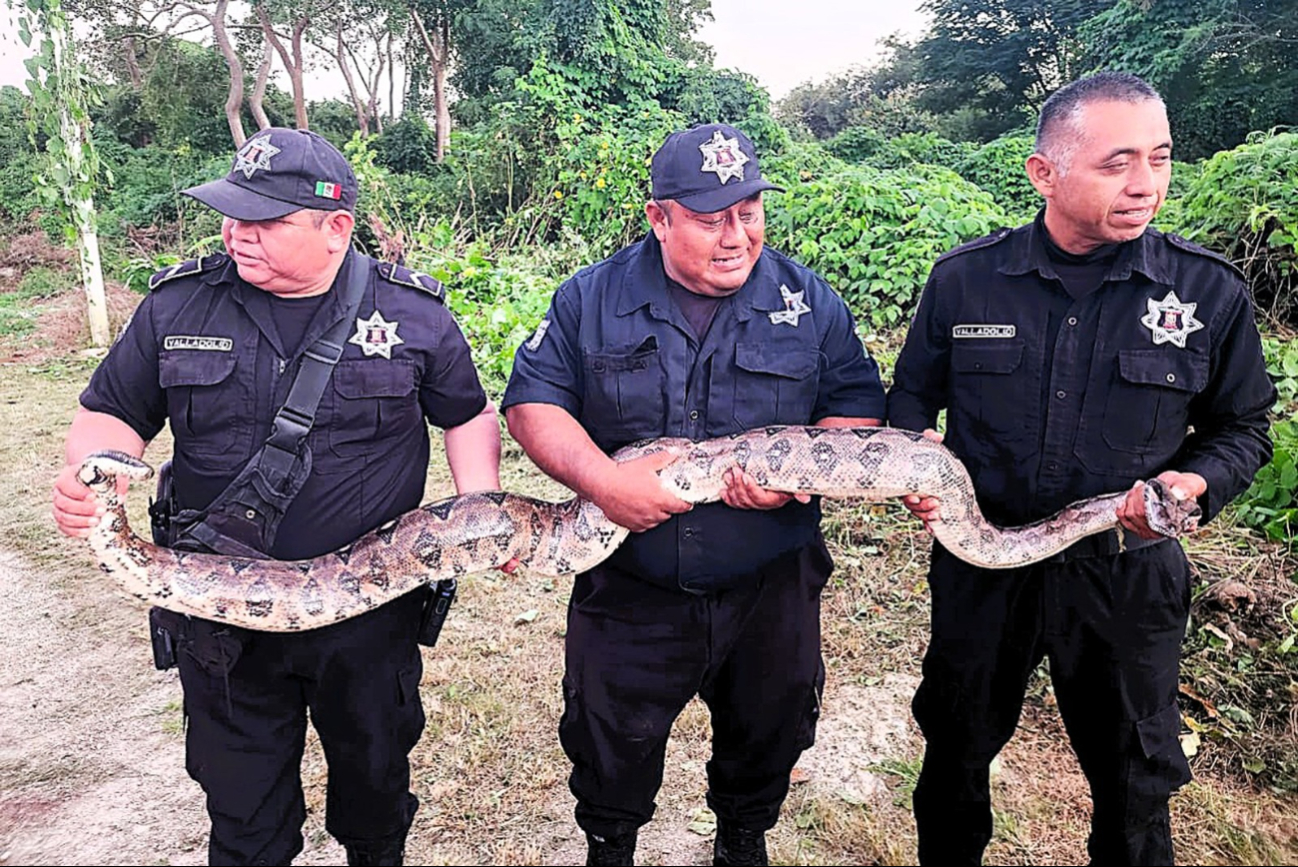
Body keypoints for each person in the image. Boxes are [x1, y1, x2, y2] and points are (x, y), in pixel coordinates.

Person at [51, 128, 505, 867]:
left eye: (264, 220)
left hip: (370, 615)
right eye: (232, 214)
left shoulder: (413, 313)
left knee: (376, 796)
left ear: (336, 229)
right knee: (244, 822)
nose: (237, 233)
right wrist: (90, 473)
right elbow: (111, 414)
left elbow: (465, 414)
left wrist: (479, 509)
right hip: (220, 620)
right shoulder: (178, 305)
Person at [887, 71, 1277, 866]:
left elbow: (1244, 429)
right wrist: (915, 466)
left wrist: (1188, 485)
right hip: (983, 561)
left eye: (1161, 159)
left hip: (1125, 574)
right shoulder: (966, 278)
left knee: (1136, 780)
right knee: (955, 752)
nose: (1146, 185)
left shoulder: (1206, 292)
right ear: (1044, 173)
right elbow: (908, 407)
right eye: (1117, 162)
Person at [502, 122, 887, 867]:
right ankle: (610, 845)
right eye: (712, 219)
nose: (736, 236)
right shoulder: (592, 297)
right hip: (632, 579)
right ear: (660, 216)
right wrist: (604, 482)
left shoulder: (809, 301)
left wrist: (795, 480)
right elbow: (534, 404)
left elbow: (856, 409)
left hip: (769, 579)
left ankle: (742, 840)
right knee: (610, 738)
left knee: (770, 726)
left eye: (749, 212)